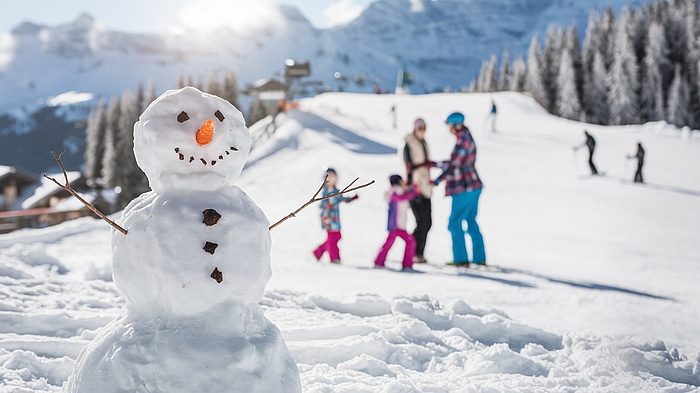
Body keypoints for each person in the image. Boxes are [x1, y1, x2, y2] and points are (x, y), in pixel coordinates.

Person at [434, 112, 485, 267]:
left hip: (464, 187)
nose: (449, 129)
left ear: (456, 126)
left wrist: (438, 179)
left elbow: (454, 164)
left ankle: (461, 259)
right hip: (473, 186)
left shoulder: (463, 140)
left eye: (450, 126)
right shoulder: (466, 137)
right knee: (470, 220)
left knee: (454, 222)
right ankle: (479, 258)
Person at [403, 118, 436, 263]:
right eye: (419, 128)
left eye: (424, 128)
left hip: (426, 187)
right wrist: (412, 186)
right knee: (421, 222)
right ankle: (413, 253)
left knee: (427, 222)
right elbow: (409, 167)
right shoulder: (410, 143)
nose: (422, 131)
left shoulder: (424, 143)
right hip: (416, 188)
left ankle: (419, 253)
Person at [313, 168, 358, 263]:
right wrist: (329, 203)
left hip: (335, 219)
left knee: (335, 237)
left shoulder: (335, 191)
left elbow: (341, 198)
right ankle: (334, 258)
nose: (331, 179)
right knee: (333, 238)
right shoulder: (326, 192)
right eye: (328, 177)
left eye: (333, 177)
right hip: (328, 219)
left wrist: (351, 198)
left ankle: (318, 252)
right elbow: (322, 204)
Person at [374, 175, 419, 270]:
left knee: (391, 242)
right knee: (410, 241)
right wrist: (413, 192)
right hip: (396, 225)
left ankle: (379, 261)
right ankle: (406, 264)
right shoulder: (395, 190)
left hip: (398, 224)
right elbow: (401, 197)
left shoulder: (398, 190)